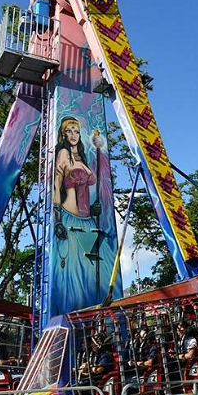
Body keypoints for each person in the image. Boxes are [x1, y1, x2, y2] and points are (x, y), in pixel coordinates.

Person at [50, 116, 118, 315]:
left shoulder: (82, 157)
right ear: (63, 134)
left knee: (95, 274)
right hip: (69, 219)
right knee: (73, 275)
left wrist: (92, 208)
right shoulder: (62, 153)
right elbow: (56, 185)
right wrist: (57, 220)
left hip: (87, 219)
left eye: (76, 131)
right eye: (69, 131)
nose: (73, 135)